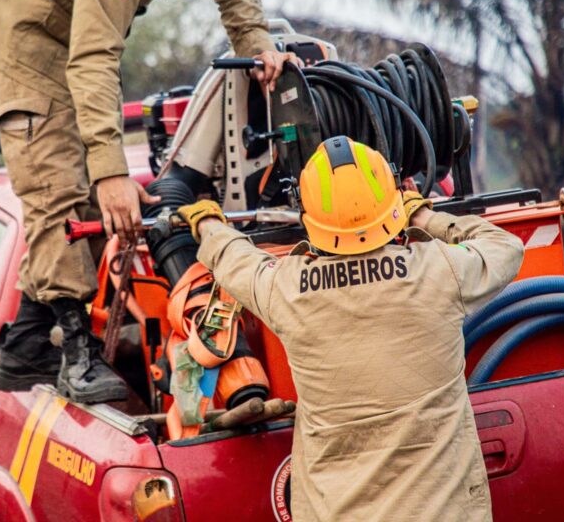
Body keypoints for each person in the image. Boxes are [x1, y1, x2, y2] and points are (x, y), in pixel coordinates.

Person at [0, 0, 297, 403]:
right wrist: (111, 174)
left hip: (73, 33)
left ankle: (24, 346)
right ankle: (74, 354)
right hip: (27, 34)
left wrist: (259, 44)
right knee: (61, 188)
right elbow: (94, 57)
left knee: (87, 189)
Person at [178, 136, 525, 521]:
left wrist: (209, 222)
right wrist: (424, 217)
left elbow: (235, 259)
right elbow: (504, 247)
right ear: (389, 204)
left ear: (309, 217)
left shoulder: (286, 289)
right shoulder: (440, 270)